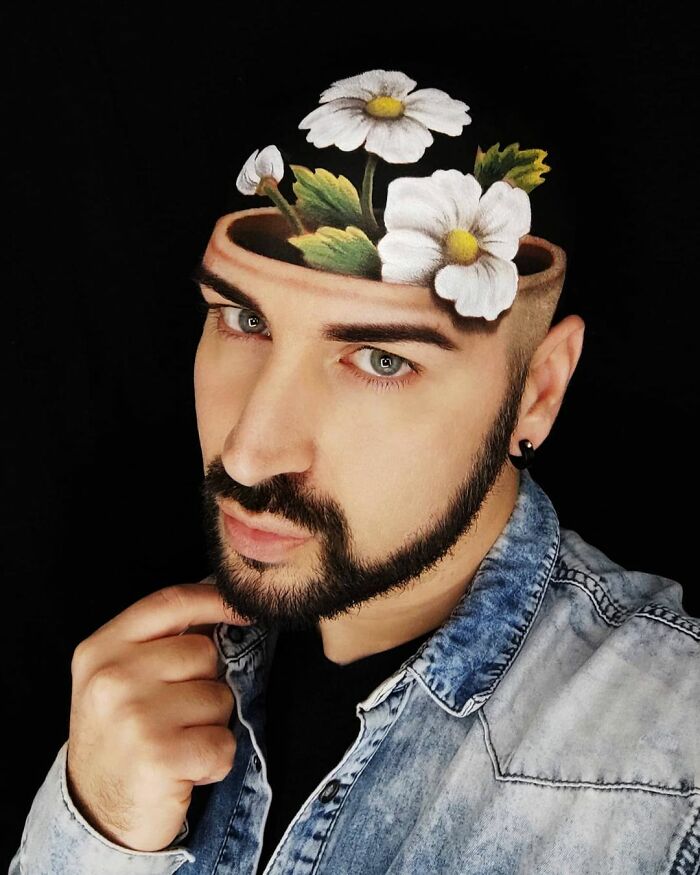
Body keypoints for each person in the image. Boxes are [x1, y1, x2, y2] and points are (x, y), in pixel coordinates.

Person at [10, 68, 698, 875]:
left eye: (379, 358)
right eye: (245, 319)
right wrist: (101, 834)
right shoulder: (142, 702)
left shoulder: (674, 776)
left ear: (537, 392)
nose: (249, 452)